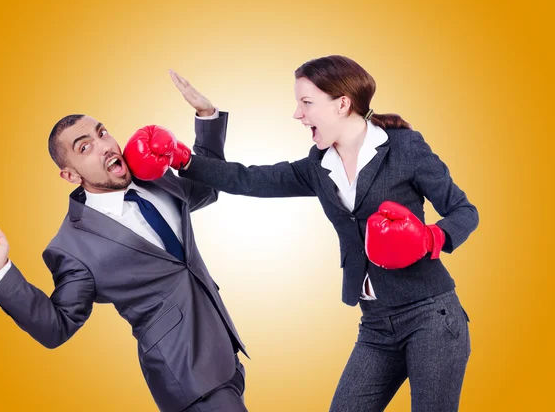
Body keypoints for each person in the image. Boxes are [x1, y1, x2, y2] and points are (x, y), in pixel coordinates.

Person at [166, 57, 479, 411]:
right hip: (376, 325)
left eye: (306, 103)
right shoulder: (318, 167)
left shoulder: (405, 149)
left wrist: (431, 238)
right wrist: (184, 161)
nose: (297, 114)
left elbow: (464, 211)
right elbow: (248, 178)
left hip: (431, 315)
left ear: (342, 104)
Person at [0, 87, 249, 412]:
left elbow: (207, 189)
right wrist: (0, 273)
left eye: (103, 133)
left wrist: (207, 119)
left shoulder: (154, 179)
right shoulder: (73, 246)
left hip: (225, 353)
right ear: (70, 175)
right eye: (86, 147)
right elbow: (57, 326)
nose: (106, 146)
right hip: (187, 378)